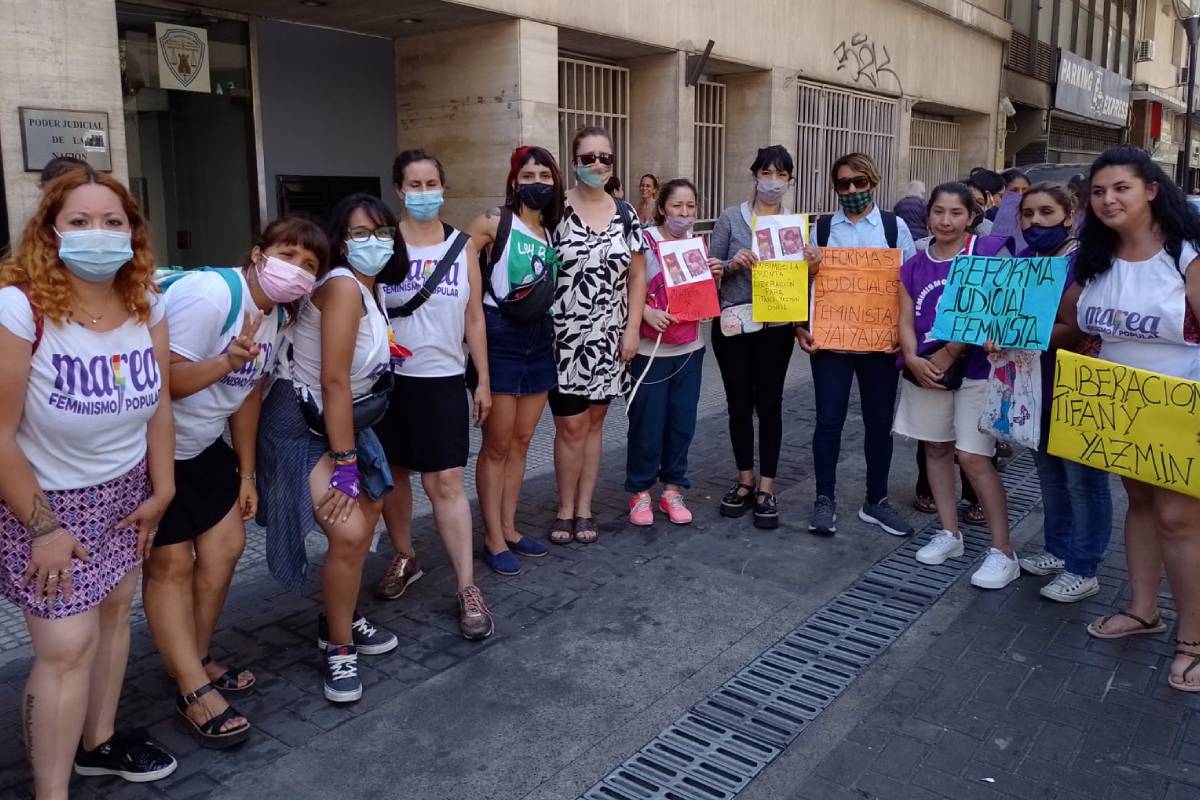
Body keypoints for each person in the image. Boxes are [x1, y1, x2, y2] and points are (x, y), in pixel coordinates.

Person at [0, 167, 178, 795]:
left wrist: (162, 489)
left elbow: (159, 404)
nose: (97, 233)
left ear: (133, 233)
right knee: (67, 646)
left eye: (112, 221)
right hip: (43, 503)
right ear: (51, 231)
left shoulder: (146, 302)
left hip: (125, 493)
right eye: (79, 221)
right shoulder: (20, 308)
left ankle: (98, 742)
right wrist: (44, 530)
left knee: (114, 613)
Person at [147, 217, 322, 745]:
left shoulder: (274, 316)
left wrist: (246, 474)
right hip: (153, 452)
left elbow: (247, 395)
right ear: (258, 253)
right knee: (172, 566)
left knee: (226, 546)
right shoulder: (212, 296)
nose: (297, 270)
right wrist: (226, 361)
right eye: (288, 255)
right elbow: (158, 381)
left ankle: (193, 658)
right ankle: (193, 689)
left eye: (310, 265)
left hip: (203, 448)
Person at [258, 194, 399, 704]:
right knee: (350, 529)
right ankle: (339, 646)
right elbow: (333, 379)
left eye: (382, 232)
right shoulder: (342, 286)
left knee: (370, 511)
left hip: (339, 416)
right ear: (341, 241)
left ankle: (340, 616)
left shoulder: (369, 286)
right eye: (360, 233)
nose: (373, 242)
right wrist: (344, 463)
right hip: (301, 420)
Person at [1071, 146, 1200, 693]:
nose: (1108, 200)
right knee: (1140, 503)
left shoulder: (1186, 255)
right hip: (1119, 406)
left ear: (1151, 189)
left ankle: (1194, 639)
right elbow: (1069, 324)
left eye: (1121, 188)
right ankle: (1143, 609)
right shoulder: (1094, 258)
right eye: (1099, 191)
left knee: (1178, 519)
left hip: (1182, 406)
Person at [375, 151, 495, 639]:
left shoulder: (462, 246)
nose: (424, 193)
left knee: (445, 481)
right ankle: (405, 556)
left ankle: (467, 585)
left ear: (443, 187)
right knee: (393, 477)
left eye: (431, 184)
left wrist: (481, 380)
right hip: (388, 380)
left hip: (443, 378)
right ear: (399, 191)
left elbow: (474, 318)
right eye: (414, 185)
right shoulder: (382, 245)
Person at [894, 182, 1020, 589]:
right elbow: (905, 318)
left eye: (956, 213)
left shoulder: (986, 254)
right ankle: (950, 532)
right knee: (935, 448)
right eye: (938, 211)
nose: (945, 221)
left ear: (971, 217)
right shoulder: (914, 263)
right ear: (928, 214)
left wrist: (949, 352)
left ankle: (1003, 551)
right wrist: (912, 357)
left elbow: (994, 308)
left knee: (973, 457)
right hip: (927, 370)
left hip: (977, 371)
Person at [1002, 182, 1112, 602]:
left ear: (1069, 216)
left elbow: (1079, 327)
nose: (1035, 222)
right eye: (1028, 214)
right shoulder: (1023, 260)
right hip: (1035, 385)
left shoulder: (1084, 261)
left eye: (1046, 212)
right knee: (1049, 474)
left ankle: (1084, 567)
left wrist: (1017, 334)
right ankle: (1058, 549)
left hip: (1079, 387)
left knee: (1084, 481)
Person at [803, 153, 916, 538]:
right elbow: (801, 285)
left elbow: (908, 284)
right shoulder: (820, 229)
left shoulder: (893, 227)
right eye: (843, 183)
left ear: (873, 182)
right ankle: (824, 499)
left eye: (860, 182)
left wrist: (903, 333)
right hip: (830, 344)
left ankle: (876, 500)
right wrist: (801, 324)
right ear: (835, 187)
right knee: (828, 421)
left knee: (879, 423)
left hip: (880, 345)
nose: (852, 189)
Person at [709, 145, 822, 528]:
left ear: (790, 181)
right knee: (738, 404)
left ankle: (767, 487)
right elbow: (709, 269)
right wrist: (732, 263)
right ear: (755, 175)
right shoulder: (730, 218)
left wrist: (812, 266)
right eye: (767, 173)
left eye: (781, 175)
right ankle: (745, 479)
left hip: (776, 329)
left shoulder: (795, 226)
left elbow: (803, 283)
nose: (773, 182)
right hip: (735, 326)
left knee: (771, 404)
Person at [466, 145, 561, 577]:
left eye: (544, 176)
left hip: (540, 337)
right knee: (498, 445)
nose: (537, 183)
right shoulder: (494, 221)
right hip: (501, 336)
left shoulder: (551, 230)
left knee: (522, 441)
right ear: (513, 180)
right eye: (528, 176)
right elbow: (460, 266)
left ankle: (509, 527)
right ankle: (492, 536)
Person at [549, 126, 646, 545]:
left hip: (610, 337)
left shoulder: (626, 213)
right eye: (588, 157)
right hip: (563, 338)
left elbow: (637, 276)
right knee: (569, 426)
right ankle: (564, 507)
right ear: (574, 162)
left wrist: (632, 329)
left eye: (604, 157)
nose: (597, 164)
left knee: (593, 423)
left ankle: (584, 507)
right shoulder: (555, 209)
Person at [626, 178, 719, 527]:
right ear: (663, 207)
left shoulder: (696, 246)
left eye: (690, 206)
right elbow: (622, 286)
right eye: (677, 205)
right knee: (647, 425)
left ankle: (672, 489)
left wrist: (713, 276)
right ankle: (639, 492)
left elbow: (701, 299)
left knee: (682, 422)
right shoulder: (644, 242)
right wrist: (645, 313)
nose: (684, 213)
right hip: (650, 351)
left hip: (690, 348)